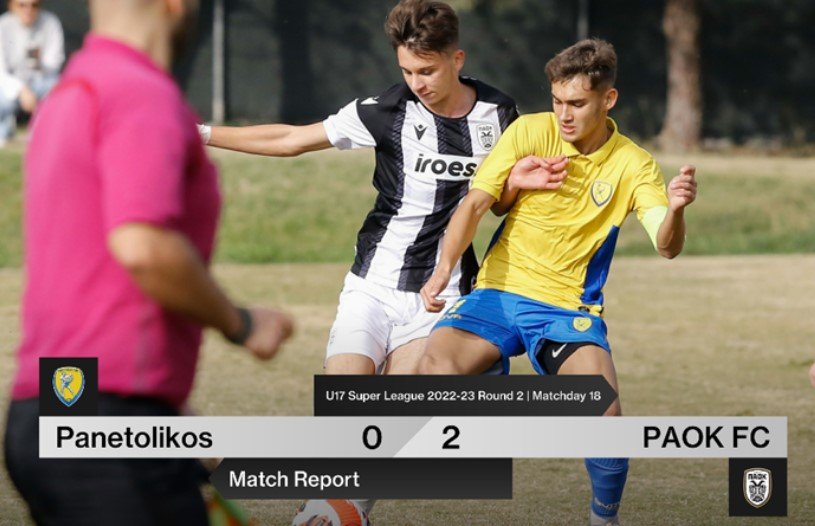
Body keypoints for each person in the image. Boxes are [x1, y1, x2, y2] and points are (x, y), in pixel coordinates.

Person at [4, 0, 293, 524]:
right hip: (112, 426)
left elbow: (93, 285)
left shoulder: (68, 95)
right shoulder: (141, 93)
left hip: (52, 405)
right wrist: (242, 324)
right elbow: (142, 246)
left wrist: (173, 421)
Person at [419, 39, 698, 526]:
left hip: (566, 311)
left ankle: (603, 518)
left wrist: (674, 210)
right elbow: (476, 203)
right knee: (432, 373)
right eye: (556, 101)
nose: (563, 115)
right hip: (497, 294)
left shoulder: (633, 164)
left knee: (605, 419)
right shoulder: (529, 131)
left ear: (608, 99)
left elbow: (667, 246)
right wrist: (444, 268)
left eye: (577, 103)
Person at [200, 0, 518, 378]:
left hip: (442, 292)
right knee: (345, 398)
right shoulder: (385, 110)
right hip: (372, 286)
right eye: (407, 71)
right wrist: (201, 134)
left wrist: (516, 183)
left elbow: (498, 205)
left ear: (457, 59)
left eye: (427, 71)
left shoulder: (498, 113)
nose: (417, 84)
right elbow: (290, 140)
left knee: (406, 402)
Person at [0, 0, 64, 144]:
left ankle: (46, 130)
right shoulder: (3, 26)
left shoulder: (50, 23)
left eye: (34, 5)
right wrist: (21, 90)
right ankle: (4, 128)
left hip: (39, 83)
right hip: (10, 88)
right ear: (11, 6)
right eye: (22, 5)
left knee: (58, 88)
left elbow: (54, 65)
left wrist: (39, 63)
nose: (28, 10)